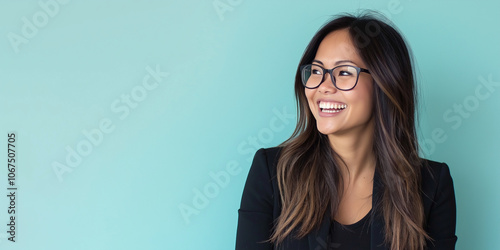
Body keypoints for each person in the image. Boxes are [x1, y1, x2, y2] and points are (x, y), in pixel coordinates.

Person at [235, 12, 457, 250]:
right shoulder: (271, 173)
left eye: (344, 72)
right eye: (317, 71)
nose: (323, 87)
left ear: (385, 83)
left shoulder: (431, 186)